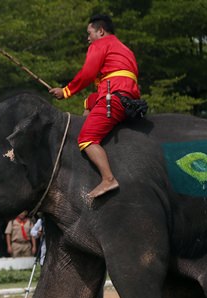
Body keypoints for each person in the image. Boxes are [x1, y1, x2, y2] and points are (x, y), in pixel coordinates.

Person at [49, 14, 140, 199]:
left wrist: (66, 91)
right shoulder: (125, 49)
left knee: (86, 138)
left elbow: (88, 73)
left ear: (100, 31)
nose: (88, 38)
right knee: (89, 101)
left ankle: (108, 179)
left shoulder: (100, 44)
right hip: (128, 99)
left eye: (89, 33)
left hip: (112, 98)